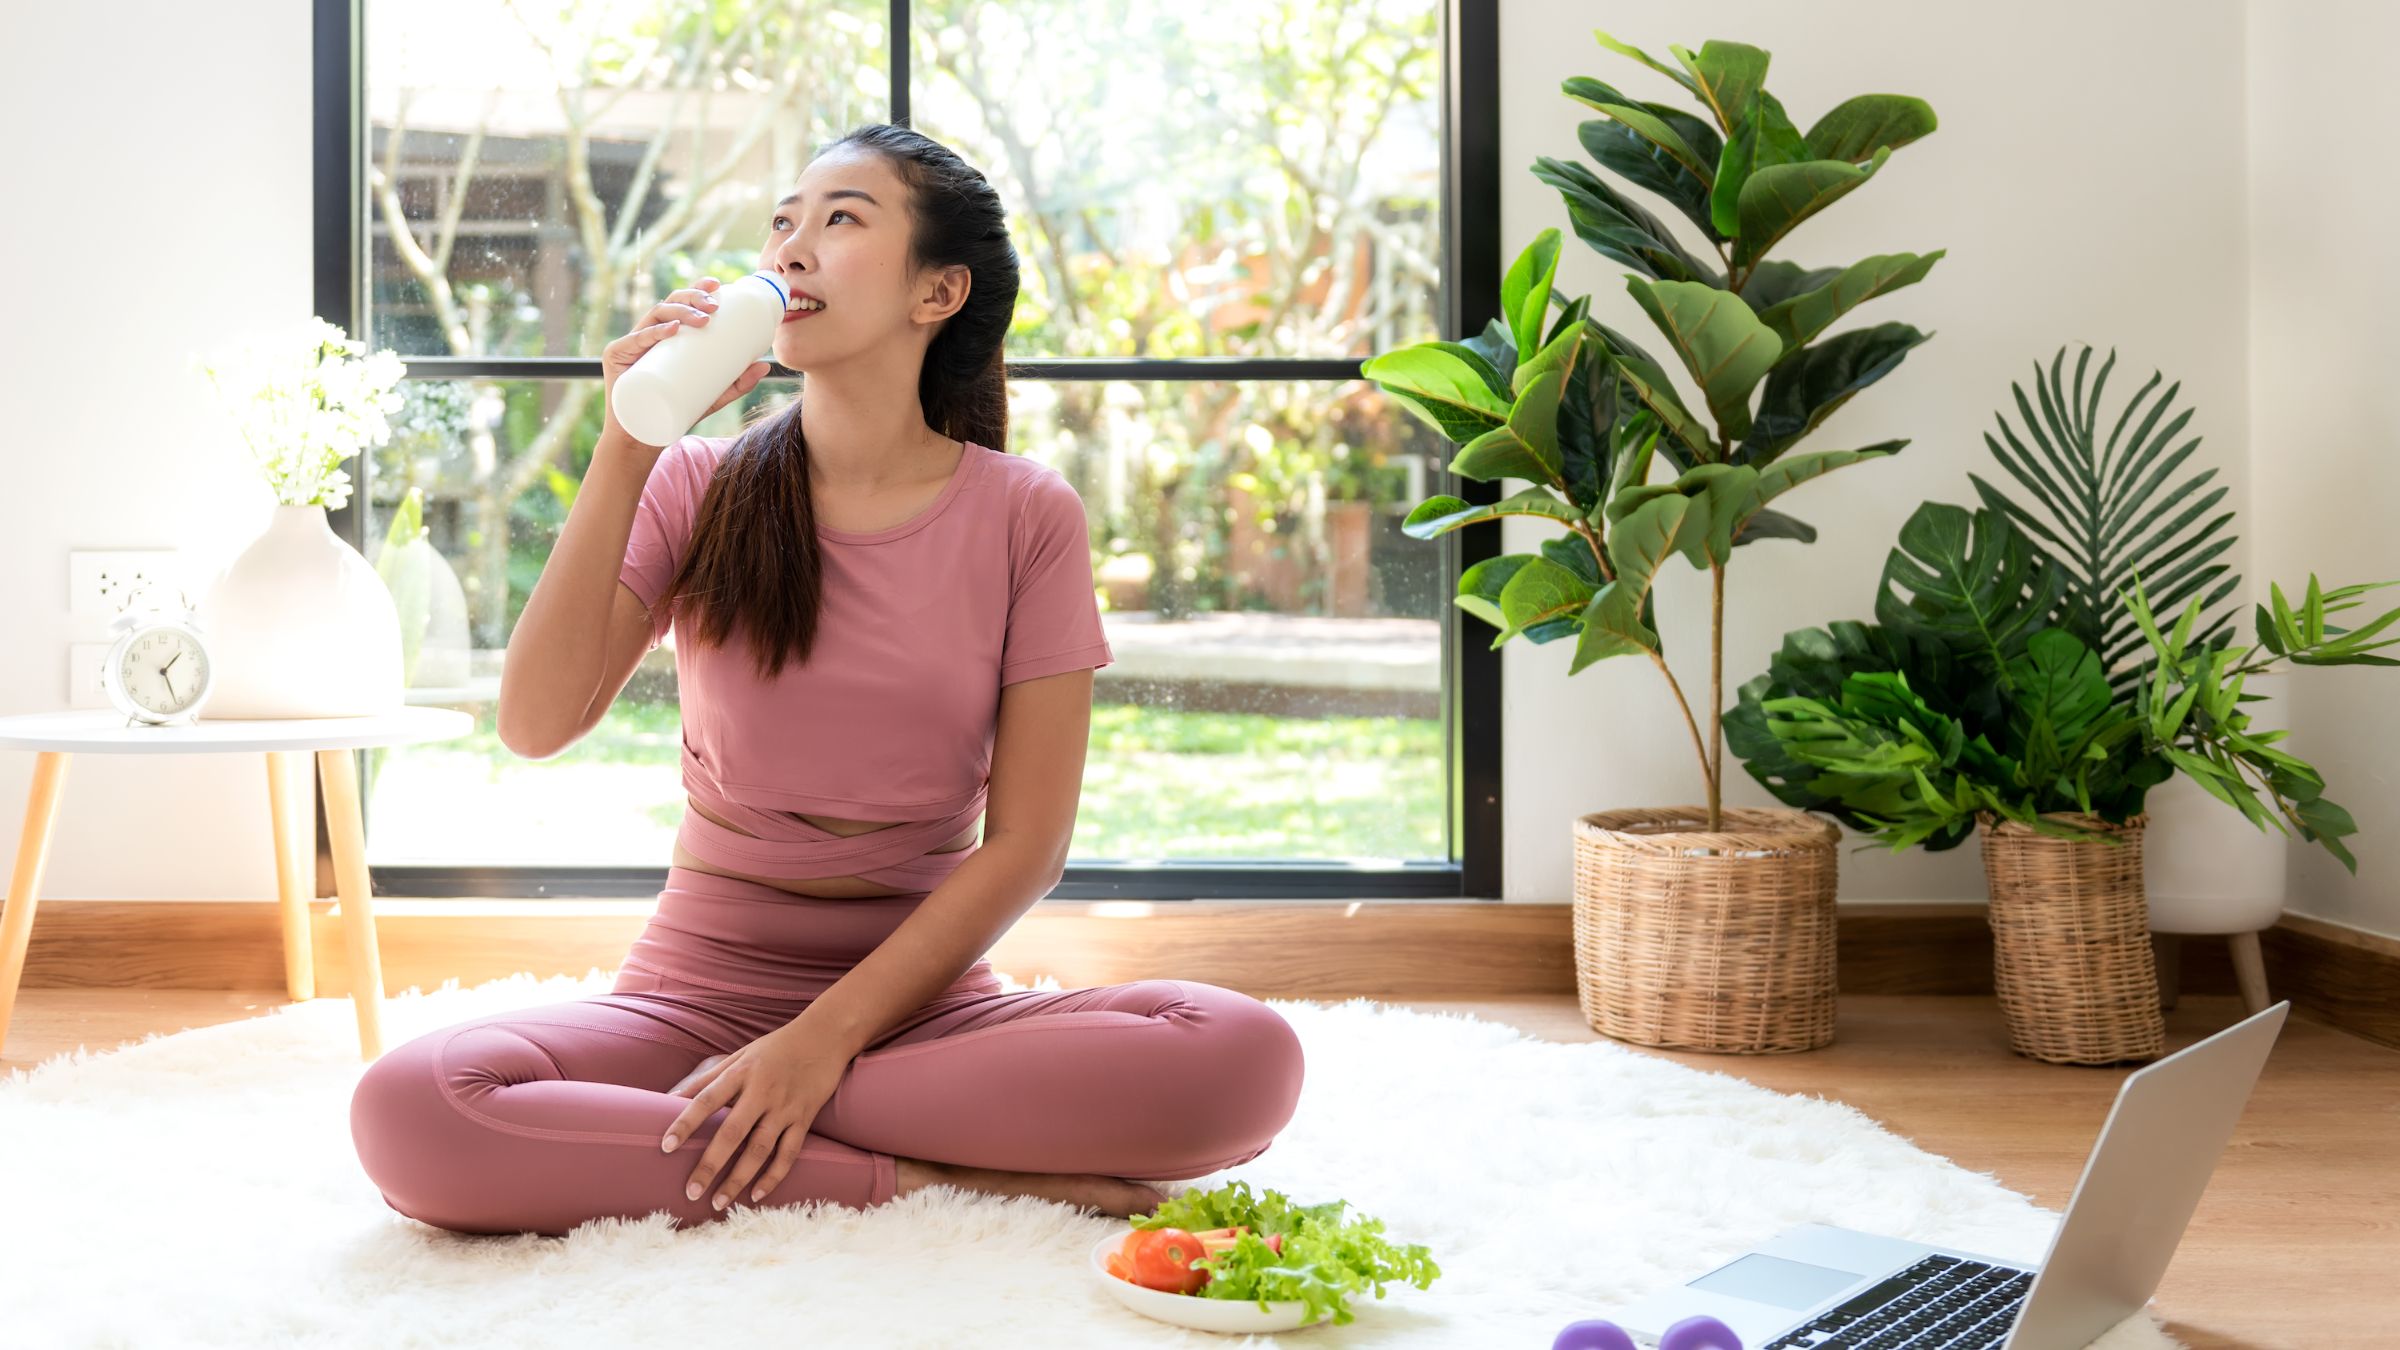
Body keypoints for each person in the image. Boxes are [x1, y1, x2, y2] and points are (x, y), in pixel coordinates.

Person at [348, 122, 1306, 1238]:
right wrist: (627, 440)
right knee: (414, 1108)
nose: (791, 247)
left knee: (1242, 1055)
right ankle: (929, 1174)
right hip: (693, 1001)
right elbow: (534, 721)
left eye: (841, 219)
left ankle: (741, 1126)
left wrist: (817, 1046)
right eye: (783, 222)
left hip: (920, 1014)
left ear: (937, 292)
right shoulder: (696, 482)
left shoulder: (1024, 512)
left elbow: (1028, 847)